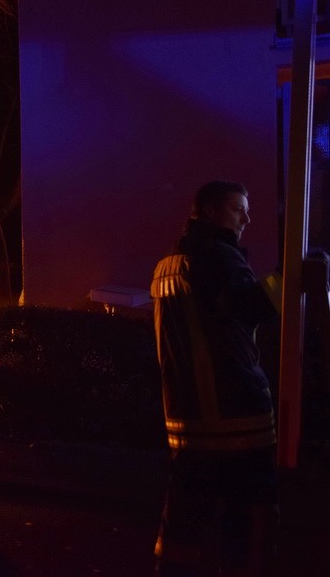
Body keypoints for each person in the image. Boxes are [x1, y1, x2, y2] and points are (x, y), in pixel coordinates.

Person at [150, 180, 280, 576]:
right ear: (209, 211)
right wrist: (292, 274)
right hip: (237, 411)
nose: (246, 218)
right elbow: (251, 307)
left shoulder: (168, 262)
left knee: (185, 516)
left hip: (187, 414)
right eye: (237, 209)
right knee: (249, 513)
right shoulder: (217, 256)